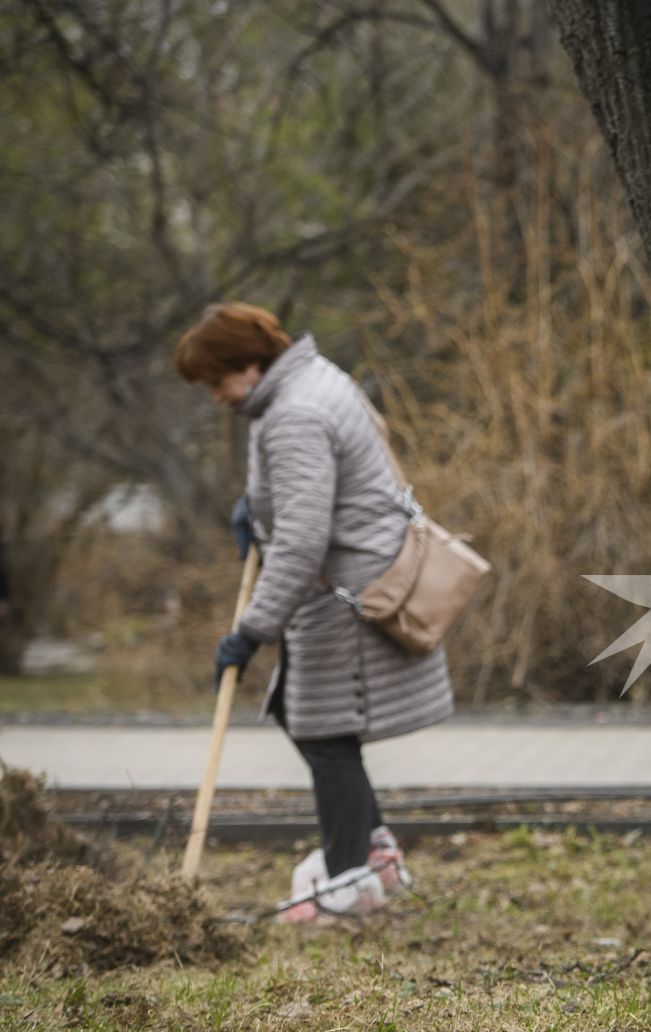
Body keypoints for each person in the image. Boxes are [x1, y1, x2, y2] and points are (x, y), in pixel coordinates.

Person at [174, 303, 453, 920]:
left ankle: (347, 882)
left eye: (215, 381)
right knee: (309, 723)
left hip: (345, 596)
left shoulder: (294, 411)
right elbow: (310, 491)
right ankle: (375, 855)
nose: (214, 395)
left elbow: (302, 540)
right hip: (351, 582)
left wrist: (251, 631)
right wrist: (256, 507)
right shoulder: (311, 378)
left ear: (248, 365)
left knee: (325, 737)